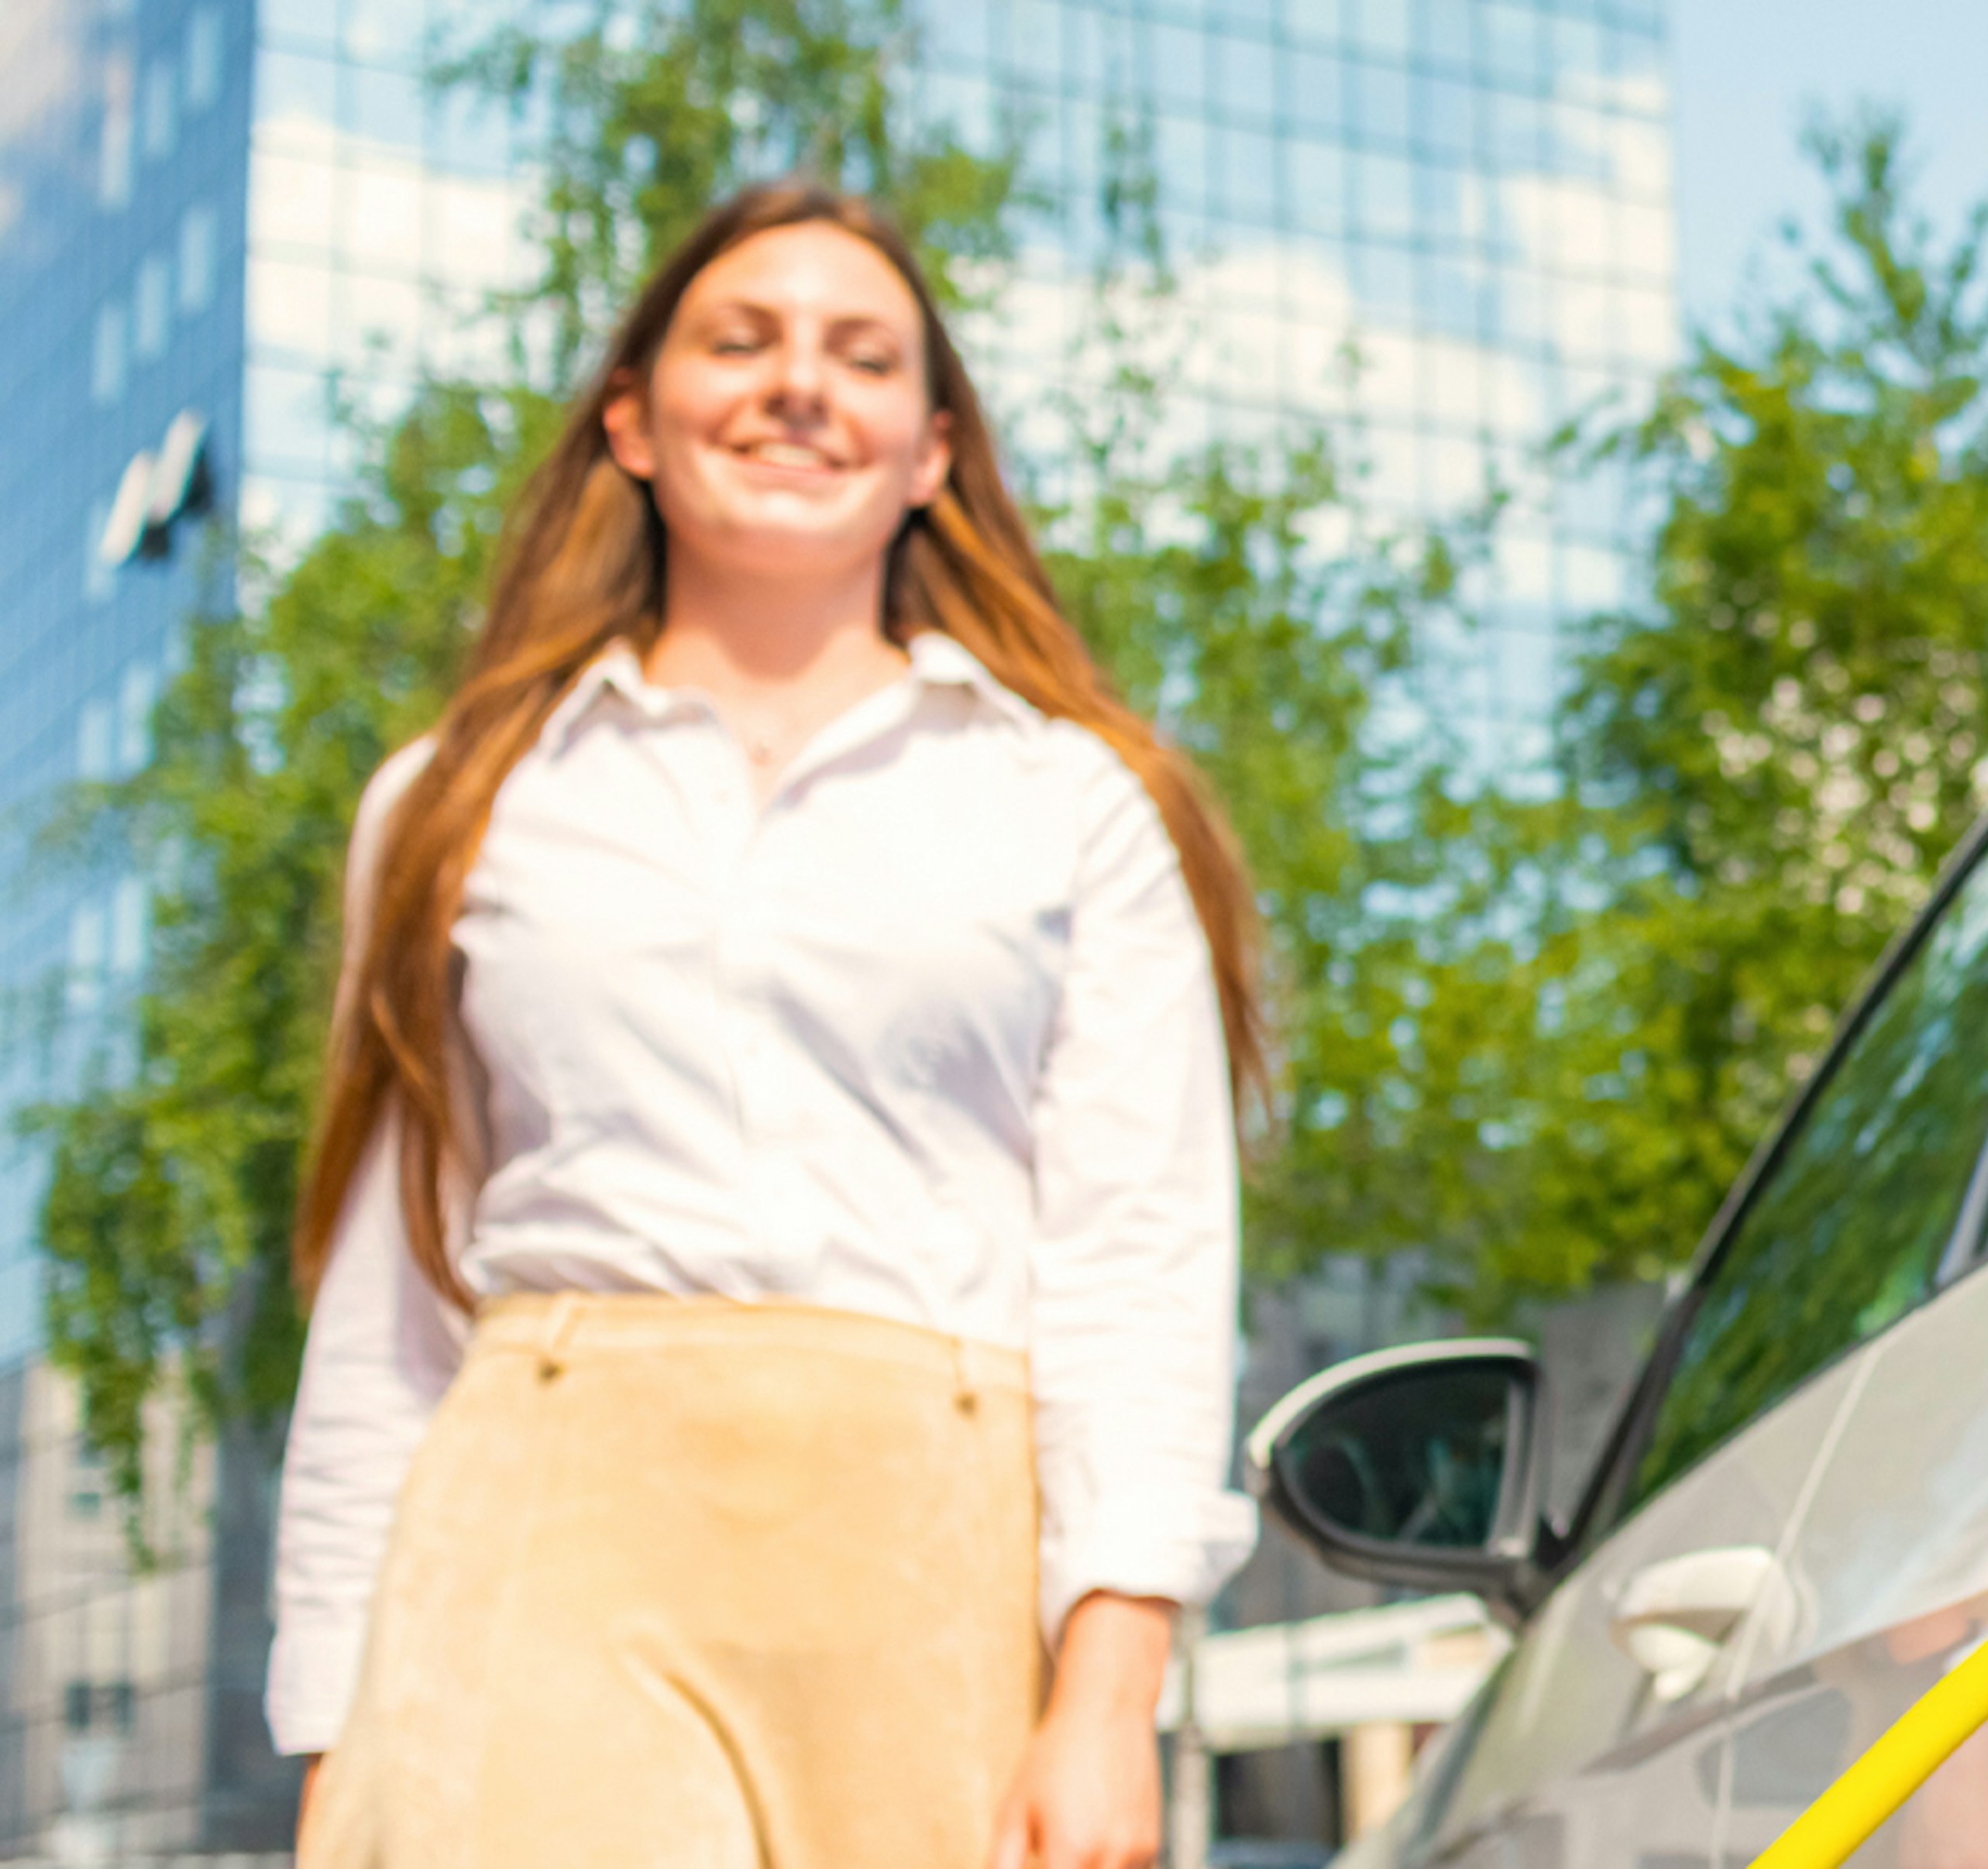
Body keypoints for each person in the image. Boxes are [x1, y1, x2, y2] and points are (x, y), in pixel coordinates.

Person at [265, 180, 1261, 1869]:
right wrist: (334, 1743)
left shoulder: (1078, 804)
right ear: (634, 423)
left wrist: (1110, 1693)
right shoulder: (450, 804)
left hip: (932, 1550)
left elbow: (1140, 1261)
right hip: (540, 1529)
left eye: (860, 356)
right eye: (741, 341)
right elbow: (387, 1312)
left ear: (932, 448)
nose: (799, 384)